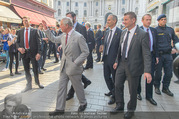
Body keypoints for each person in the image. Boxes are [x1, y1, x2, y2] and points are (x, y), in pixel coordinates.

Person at [42, 17, 89, 115]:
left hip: (74, 68)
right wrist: (46, 29)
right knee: (61, 87)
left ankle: (83, 103)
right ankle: (59, 109)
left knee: (78, 87)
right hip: (64, 67)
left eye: (61, 24)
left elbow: (86, 52)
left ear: (67, 25)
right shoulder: (64, 35)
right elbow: (54, 39)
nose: (60, 26)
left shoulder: (78, 37)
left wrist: (76, 62)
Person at [112, 12, 152, 119]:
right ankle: (120, 105)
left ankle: (131, 109)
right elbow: (119, 49)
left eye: (125, 20)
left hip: (134, 66)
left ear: (133, 20)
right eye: (123, 19)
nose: (123, 22)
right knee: (117, 85)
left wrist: (147, 71)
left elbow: (146, 53)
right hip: (121, 64)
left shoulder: (142, 34)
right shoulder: (123, 33)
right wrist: (117, 61)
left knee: (132, 90)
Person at [65, 11, 91, 101]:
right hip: (68, 57)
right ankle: (86, 81)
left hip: (77, 57)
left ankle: (71, 93)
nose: (67, 20)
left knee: (74, 75)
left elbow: (84, 43)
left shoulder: (82, 28)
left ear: (74, 18)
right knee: (74, 75)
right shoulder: (66, 28)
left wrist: (82, 57)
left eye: (69, 18)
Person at [16, 16, 44, 93]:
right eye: (23, 21)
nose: (25, 22)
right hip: (24, 53)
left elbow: (39, 42)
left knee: (35, 68)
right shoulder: (20, 31)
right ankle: (29, 85)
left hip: (33, 53)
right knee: (26, 70)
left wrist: (39, 53)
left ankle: (37, 82)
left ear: (29, 21)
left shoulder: (34, 31)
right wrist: (19, 48)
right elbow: (17, 42)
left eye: (26, 20)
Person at [154, 14, 179, 97]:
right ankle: (157, 87)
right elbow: (154, 44)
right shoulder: (155, 30)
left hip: (168, 55)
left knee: (169, 73)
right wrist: (155, 55)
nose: (164, 21)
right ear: (158, 21)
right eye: (162, 19)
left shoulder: (170, 30)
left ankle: (165, 88)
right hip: (159, 55)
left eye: (165, 19)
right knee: (158, 73)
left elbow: (175, 40)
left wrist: (177, 48)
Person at [136, 14, 158, 106]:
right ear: (142, 20)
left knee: (150, 77)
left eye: (150, 20)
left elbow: (156, 44)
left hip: (151, 57)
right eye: (147, 20)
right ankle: (138, 93)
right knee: (138, 76)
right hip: (140, 57)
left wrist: (156, 56)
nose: (148, 21)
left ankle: (149, 96)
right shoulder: (138, 31)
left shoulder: (153, 31)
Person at [102, 14, 122, 105]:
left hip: (114, 60)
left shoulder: (120, 32)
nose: (107, 21)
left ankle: (114, 96)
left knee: (114, 79)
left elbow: (121, 48)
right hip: (106, 58)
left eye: (109, 20)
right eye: (107, 19)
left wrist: (117, 61)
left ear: (114, 21)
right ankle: (112, 91)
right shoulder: (106, 31)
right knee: (106, 77)